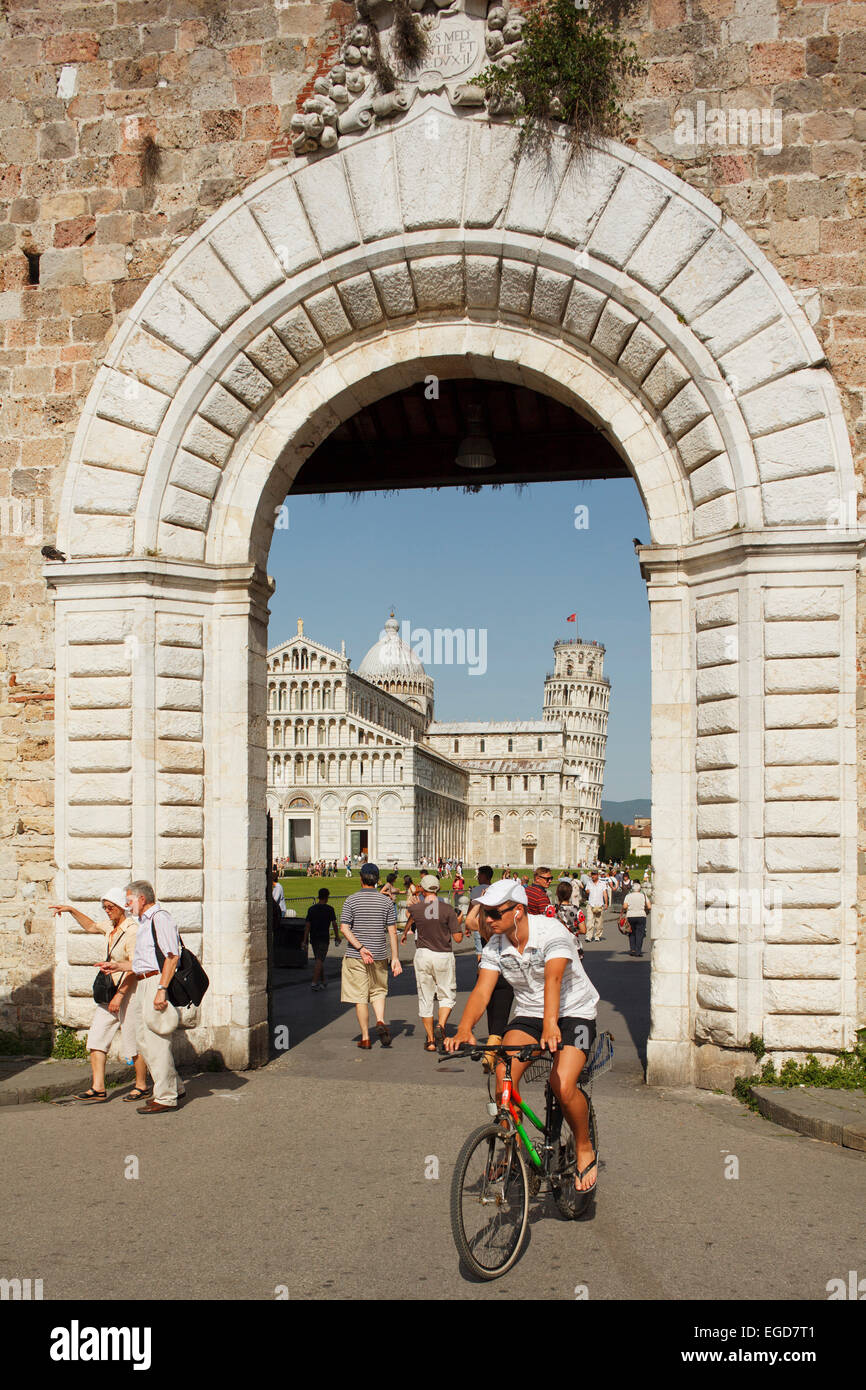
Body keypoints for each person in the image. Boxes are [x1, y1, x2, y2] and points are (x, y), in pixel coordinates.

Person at [445, 880, 600, 1193]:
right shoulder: (496, 946)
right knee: (503, 1073)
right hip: (530, 1012)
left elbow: (554, 980)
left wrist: (551, 1025)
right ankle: (512, 1145)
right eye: (484, 912)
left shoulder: (552, 932)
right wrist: (464, 1028)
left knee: (563, 1083)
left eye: (494, 913)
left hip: (575, 1012)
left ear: (518, 912)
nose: (487, 920)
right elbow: (482, 991)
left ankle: (584, 1146)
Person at [51, 891, 151, 1104]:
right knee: (96, 1037)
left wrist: (120, 995)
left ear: (121, 906)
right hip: (110, 990)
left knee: (132, 1042)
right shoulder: (110, 926)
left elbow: (135, 967)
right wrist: (71, 910)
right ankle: (98, 1088)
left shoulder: (132, 931)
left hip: (129, 991)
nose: (107, 911)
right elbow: (90, 926)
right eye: (104, 907)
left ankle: (141, 1085)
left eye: (110, 907)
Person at [119, 881, 185, 1114]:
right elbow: (143, 962)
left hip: (155, 983)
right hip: (144, 981)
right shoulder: (145, 922)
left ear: (142, 899)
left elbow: (172, 956)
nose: (126, 906)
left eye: (129, 900)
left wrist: (161, 989)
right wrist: (116, 965)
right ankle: (174, 1085)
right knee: (144, 1039)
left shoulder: (160, 918)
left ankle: (166, 1097)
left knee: (156, 1040)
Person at [340, 863, 402, 1048]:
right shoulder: (386, 902)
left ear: (361, 878)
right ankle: (381, 1021)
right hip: (379, 954)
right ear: (377, 880)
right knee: (378, 991)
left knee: (360, 998)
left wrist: (360, 947)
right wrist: (395, 958)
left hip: (356, 955)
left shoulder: (351, 900)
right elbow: (392, 932)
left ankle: (366, 1037)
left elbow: (345, 928)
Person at [405, 874, 463, 1050]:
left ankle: (430, 1040)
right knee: (446, 994)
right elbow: (458, 938)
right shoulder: (447, 909)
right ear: (437, 888)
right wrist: (458, 922)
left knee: (425, 996)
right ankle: (441, 1026)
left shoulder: (416, 909)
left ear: (422, 888)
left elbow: (410, 914)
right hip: (443, 954)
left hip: (423, 954)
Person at [303, 888, 338, 990]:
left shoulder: (311, 909)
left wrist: (304, 939)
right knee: (320, 959)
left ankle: (323, 981)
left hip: (314, 937)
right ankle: (314, 982)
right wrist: (337, 936)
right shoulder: (330, 909)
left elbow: (307, 925)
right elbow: (334, 924)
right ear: (327, 897)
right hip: (323, 937)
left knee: (319, 958)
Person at [555, 880, 586, 960]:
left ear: (557, 893)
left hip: (556, 947)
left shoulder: (551, 910)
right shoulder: (576, 910)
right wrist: (574, 931)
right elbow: (583, 930)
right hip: (574, 946)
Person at [623, 880, 652, 957]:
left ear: (632, 889)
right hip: (641, 915)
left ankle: (632, 949)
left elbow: (625, 906)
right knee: (640, 934)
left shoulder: (628, 896)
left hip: (630, 915)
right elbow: (649, 906)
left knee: (631, 933)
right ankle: (638, 951)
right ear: (639, 889)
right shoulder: (643, 895)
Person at [584, 868, 609, 942]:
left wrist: (606, 903)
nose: (593, 876)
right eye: (592, 875)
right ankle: (588, 936)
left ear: (597, 875)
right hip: (591, 904)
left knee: (599, 922)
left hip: (599, 904)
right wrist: (587, 891)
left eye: (594, 875)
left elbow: (605, 893)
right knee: (589, 921)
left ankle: (597, 935)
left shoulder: (602, 883)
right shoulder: (589, 882)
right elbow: (587, 891)